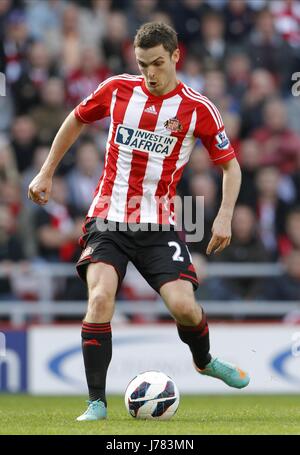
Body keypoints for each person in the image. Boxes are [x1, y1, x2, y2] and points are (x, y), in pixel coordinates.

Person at [28, 22, 250, 422]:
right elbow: (76, 118)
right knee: (99, 299)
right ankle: (96, 402)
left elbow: (231, 168)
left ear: (176, 56)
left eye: (158, 63)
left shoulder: (198, 108)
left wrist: (224, 216)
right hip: (108, 217)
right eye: (143, 64)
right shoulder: (117, 89)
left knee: (184, 307)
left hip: (158, 223)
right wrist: (46, 172)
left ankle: (204, 361)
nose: (150, 73)